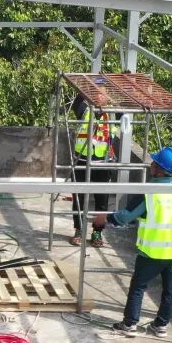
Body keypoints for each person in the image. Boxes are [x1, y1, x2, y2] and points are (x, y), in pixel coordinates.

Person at [93, 146, 172, 338]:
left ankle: (129, 324)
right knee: (170, 291)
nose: (151, 164)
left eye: (155, 162)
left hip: (151, 253)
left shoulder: (150, 193)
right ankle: (161, 326)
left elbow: (124, 218)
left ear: (159, 170)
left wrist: (105, 218)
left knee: (138, 287)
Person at [70, 98, 119, 248]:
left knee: (102, 200)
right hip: (82, 160)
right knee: (79, 198)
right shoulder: (84, 110)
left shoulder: (112, 113)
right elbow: (76, 101)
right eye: (96, 92)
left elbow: (125, 112)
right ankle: (79, 230)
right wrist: (85, 88)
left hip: (103, 162)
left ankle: (97, 232)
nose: (100, 96)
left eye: (102, 93)